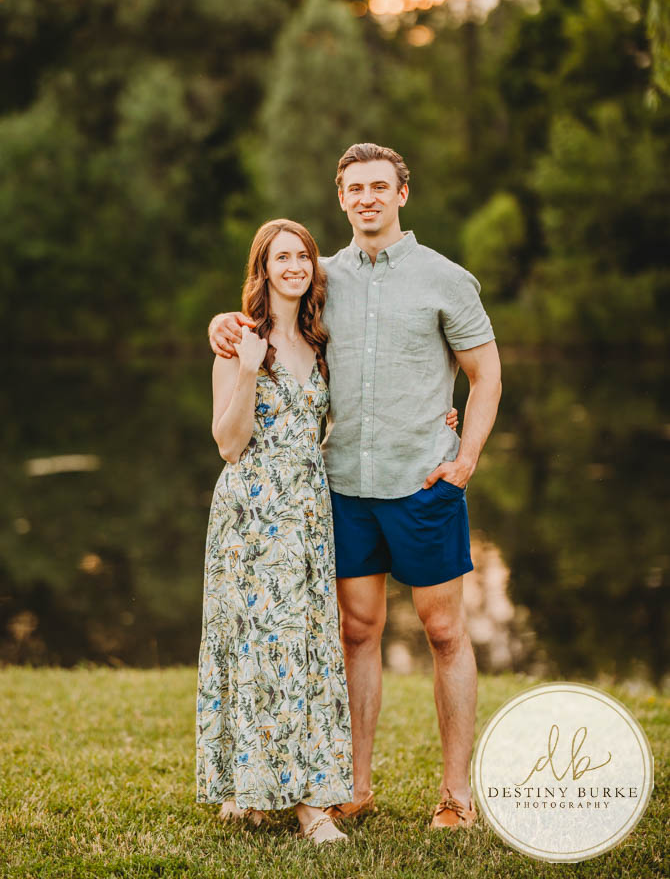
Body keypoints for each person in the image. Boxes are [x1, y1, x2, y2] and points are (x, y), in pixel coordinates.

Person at [208, 143, 502, 830]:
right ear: (341, 198)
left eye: (379, 186)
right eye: (355, 189)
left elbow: (486, 375)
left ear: (402, 194)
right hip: (342, 487)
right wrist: (221, 324)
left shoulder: (446, 279)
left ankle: (455, 798)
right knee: (359, 632)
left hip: (424, 482)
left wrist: (465, 459)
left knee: (445, 632)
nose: (367, 198)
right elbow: (266, 312)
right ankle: (355, 785)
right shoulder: (321, 280)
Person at [196, 219, 354, 844]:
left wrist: (438, 421)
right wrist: (247, 370)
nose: (294, 266)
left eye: (303, 256)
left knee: (307, 648)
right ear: (261, 269)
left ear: (314, 268)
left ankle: (310, 798)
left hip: (307, 514)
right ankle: (255, 788)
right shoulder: (238, 341)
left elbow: (339, 423)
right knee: (253, 646)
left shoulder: (320, 343)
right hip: (251, 517)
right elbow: (228, 445)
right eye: (281, 257)